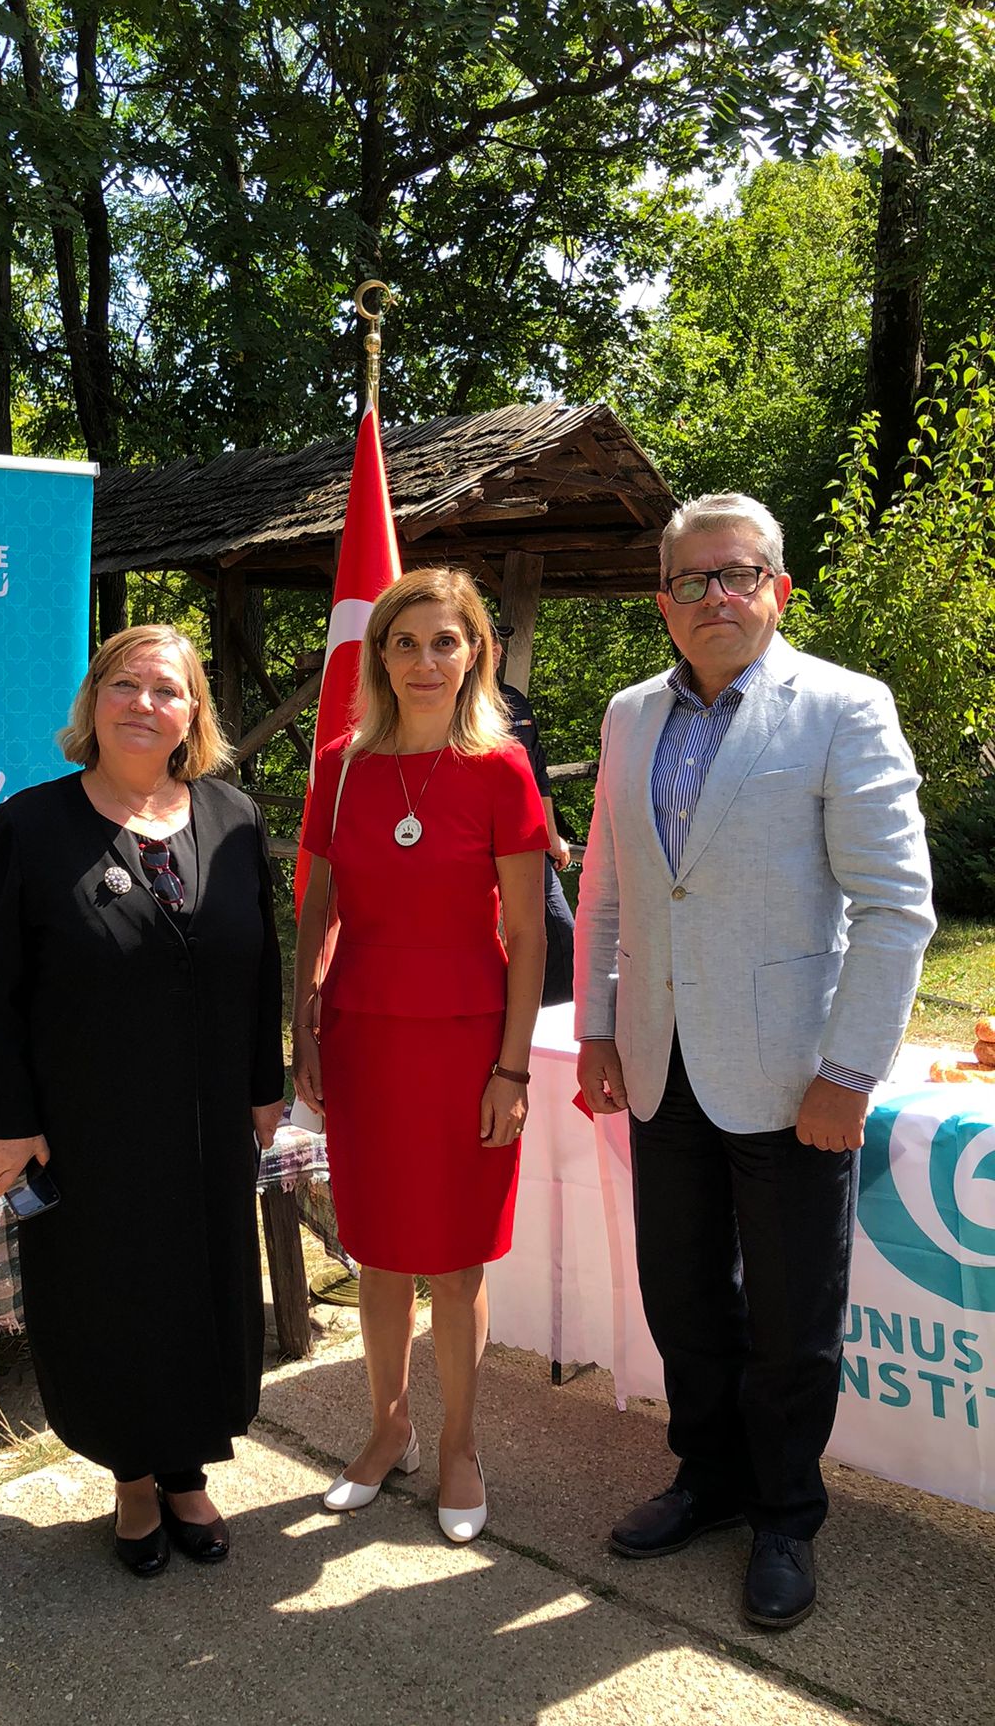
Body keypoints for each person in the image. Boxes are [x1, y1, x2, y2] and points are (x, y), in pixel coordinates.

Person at [575, 490, 934, 1631]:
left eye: (737, 575)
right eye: (692, 580)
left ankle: (785, 1512)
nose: (715, 596)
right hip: (659, 1061)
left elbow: (896, 908)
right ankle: (710, 1477)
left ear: (777, 589)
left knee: (790, 1317)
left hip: (794, 1078)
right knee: (682, 1296)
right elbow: (609, 888)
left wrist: (850, 1071)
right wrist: (596, 1027)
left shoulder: (843, 706)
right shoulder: (630, 714)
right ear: (664, 603)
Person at [0, 624, 283, 1577]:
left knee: (202, 1292)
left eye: (167, 689)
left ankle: (187, 1471)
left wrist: (263, 1086)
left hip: (208, 1122)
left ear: (194, 714)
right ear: (94, 700)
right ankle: (133, 1479)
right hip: (87, 1127)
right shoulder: (29, 827)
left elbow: (260, 963)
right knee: (110, 1299)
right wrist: (7, 1120)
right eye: (125, 685)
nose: (145, 704)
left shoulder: (233, 817)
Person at [291, 569, 547, 1544]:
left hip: (468, 1044)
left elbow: (527, 933)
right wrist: (303, 1022)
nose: (425, 660)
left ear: (475, 651)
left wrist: (513, 1071)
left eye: (446, 641)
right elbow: (318, 905)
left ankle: (458, 1444)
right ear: (380, 656)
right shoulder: (341, 765)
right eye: (406, 642)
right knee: (379, 1248)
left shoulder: (501, 770)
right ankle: (387, 1427)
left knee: (454, 1257)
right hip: (363, 1038)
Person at [496, 635, 576, 1005]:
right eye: (485, 641)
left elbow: (537, 773)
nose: (494, 650)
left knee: (560, 933)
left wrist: (551, 835)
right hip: (474, 845)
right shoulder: (449, 702)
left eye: (498, 644)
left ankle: (550, 1020)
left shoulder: (515, 700)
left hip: (526, 840)